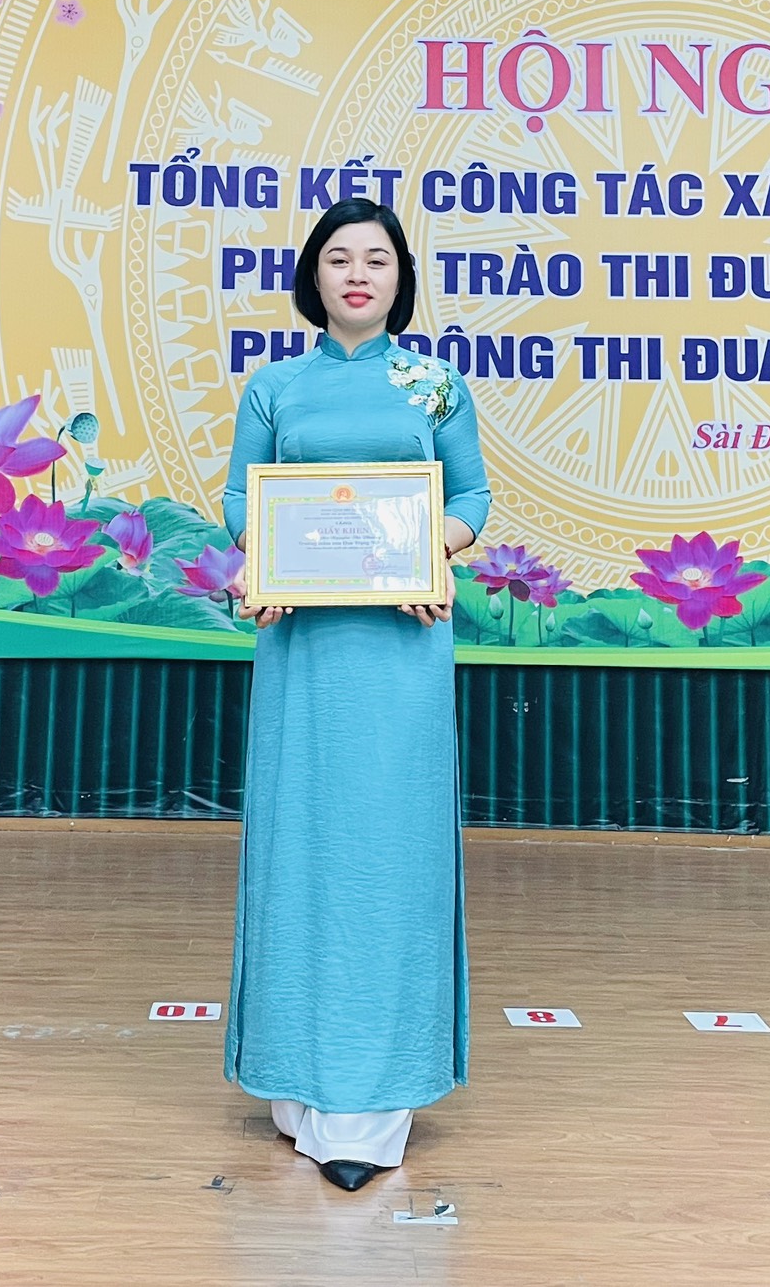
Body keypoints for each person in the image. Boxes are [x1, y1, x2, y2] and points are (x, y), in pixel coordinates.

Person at [223, 197, 489, 1193]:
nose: (358, 275)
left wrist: (438, 552)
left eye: (377, 259)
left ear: (400, 276)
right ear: (315, 277)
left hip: (401, 648)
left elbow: (471, 496)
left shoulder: (436, 384)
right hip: (303, 646)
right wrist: (257, 558)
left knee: (389, 856)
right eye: (339, 259)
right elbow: (242, 499)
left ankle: (373, 1110)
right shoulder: (275, 386)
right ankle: (299, 1086)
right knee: (303, 847)